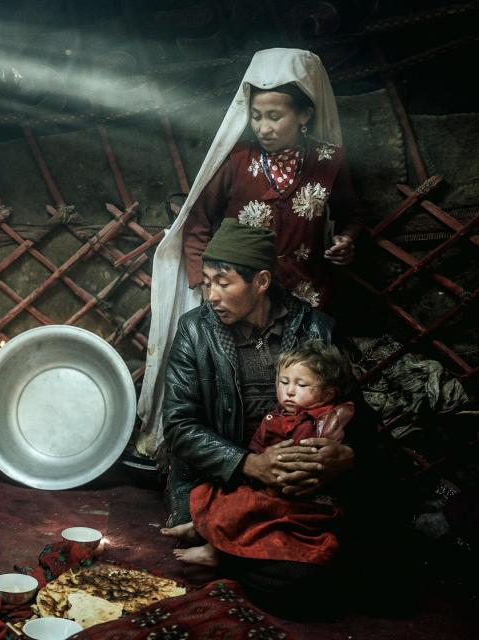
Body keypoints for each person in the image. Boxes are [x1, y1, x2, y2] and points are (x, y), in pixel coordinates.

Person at [136, 47, 364, 463]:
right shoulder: (236, 161)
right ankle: (239, 463)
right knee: (233, 387)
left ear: (304, 115)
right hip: (241, 299)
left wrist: (346, 241)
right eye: (257, 116)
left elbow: (350, 216)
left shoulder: (328, 162)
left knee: (301, 390)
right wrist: (208, 287)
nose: (264, 126)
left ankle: (292, 462)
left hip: (304, 297)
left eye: (275, 116)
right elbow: (197, 224)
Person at [156, 220, 375, 613]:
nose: (212, 295)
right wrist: (252, 464)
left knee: (380, 552)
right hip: (223, 480)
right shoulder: (195, 332)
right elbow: (178, 426)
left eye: (224, 283)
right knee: (308, 581)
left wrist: (344, 456)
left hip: (300, 485)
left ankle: (231, 555)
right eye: (207, 282)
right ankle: (239, 552)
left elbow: (359, 418)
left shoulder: (315, 328)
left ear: (260, 282)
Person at [165, 340, 356, 569]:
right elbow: (256, 445)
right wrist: (252, 462)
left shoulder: (320, 423)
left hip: (295, 494)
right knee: (221, 493)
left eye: (302, 385)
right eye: (283, 382)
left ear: (327, 394)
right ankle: (200, 527)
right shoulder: (280, 414)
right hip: (263, 479)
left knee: (244, 506)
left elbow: (301, 462)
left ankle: (214, 551)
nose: (289, 391)